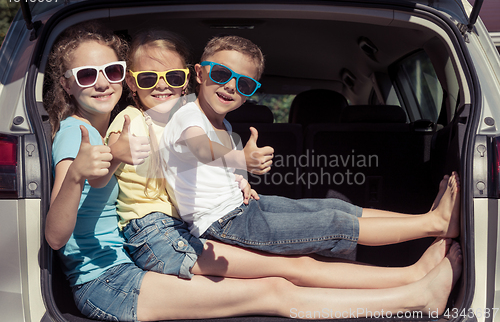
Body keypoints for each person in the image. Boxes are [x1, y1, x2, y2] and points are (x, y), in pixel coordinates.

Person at [43, 22, 462, 321]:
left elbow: (179, 165)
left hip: (161, 238)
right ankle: (417, 284)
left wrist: (236, 177)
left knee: (298, 265)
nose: (102, 83)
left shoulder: (160, 119)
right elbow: (72, 216)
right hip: (136, 259)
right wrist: (106, 160)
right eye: (86, 75)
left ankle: (413, 278)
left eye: (110, 71)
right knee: (284, 280)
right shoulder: (104, 128)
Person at [160, 34, 461, 259]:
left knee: (336, 206)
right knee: (334, 221)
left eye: (244, 84)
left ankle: (426, 218)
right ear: (199, 73)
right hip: (223, 226)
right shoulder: (187, 115)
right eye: (221, 74)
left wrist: (239, 182)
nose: (230, 87)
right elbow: (199, 148)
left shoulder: (222, 124)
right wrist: (241, 158)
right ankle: (435, 224)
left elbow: (200, 167)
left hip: (240, 209)